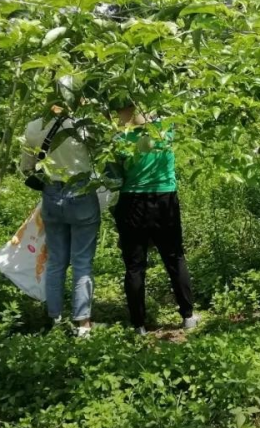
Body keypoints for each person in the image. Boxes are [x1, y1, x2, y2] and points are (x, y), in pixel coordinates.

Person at [109, 100, 198, 335]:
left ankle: (138, 324)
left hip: (132, 201)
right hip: (165, 198)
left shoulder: (118, 139)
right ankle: (188, 317)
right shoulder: (164, 129)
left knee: (135, 266)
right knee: (174, 257)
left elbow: (113, 177)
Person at [20, 77, 100, 338]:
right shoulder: (87, 126)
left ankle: (55, 317)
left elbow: (26, 168)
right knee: (82, 261)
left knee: (56, 261)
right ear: (77, 96)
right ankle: (83, 323)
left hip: (52, 193)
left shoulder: (34, 126)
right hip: (82, 192)